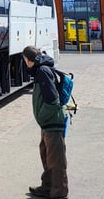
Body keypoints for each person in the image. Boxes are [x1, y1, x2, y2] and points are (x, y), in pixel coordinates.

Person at [22, 46, 68, 199]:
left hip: (52, 122)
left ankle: (59, 192)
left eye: (24, 60)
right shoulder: (41, 70)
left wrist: (41, 117)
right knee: (47, 156)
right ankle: (47, 186)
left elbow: (53, 101)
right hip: (47, 123)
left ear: (28, 60)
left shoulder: (42, 72)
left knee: (56, 160)